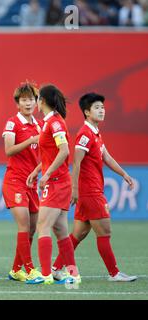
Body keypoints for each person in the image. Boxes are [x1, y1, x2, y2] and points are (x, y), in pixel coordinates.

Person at [51, 93, 137, 282]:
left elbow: (107, 157)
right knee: (105, 232)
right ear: (87, 112)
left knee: (78, 234)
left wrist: (124, 174)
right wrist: (75, 190)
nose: (102, 110)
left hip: (89, 191)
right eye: (97, 107)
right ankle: (114, 274)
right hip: (90, 192)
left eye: (103, 107)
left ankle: (56, 268)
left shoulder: (96, 133)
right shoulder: (84, 134)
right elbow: (76, 161)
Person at [26, 84, 81, 285]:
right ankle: (74, 274)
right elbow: (51, 154)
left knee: (43, 226)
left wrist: (47, 174)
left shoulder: (55, 123)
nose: (36, 102)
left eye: (38, 98)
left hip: (57, 183)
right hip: (58, 181)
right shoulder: (50, 122)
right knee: (61, 230)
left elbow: (64, 151)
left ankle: (46, 274)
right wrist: (36, 170)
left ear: (42, 101)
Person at [2, 82, 44, 284]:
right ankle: (30, 270)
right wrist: (31, 140)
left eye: (31, 99)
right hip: (14, 181)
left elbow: (46, 153)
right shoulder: (12, 123)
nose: (28, 103)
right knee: (24, 225)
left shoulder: (40, 125)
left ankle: (15, 269)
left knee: (32, 229)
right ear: (17, 103)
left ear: (37, 102)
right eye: (24, 100)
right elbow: (8, 150)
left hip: (32, 183)